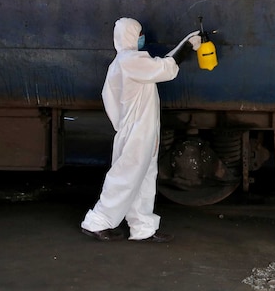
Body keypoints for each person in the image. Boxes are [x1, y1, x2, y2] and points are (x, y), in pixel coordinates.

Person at [81, 17, 201, 242]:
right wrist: (187, 47)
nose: (142, 37)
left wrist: (186, 42)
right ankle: (98, 220)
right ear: (130, 36)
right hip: (137, 129)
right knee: (126, 176)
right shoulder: (130, 60)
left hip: (138, 128)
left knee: (143, 177)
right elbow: (165, 69)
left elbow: (162, 64)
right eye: (139, 33)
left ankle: (142, 227)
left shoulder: (124, 62)